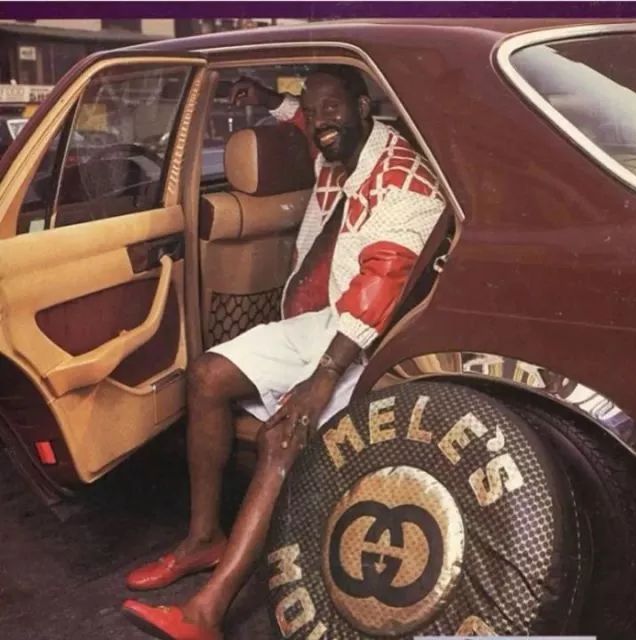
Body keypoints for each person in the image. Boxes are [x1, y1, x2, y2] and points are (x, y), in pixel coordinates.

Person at [122, 65, 446, 640]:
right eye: (314, 112)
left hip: (372, 339)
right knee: (207, 375)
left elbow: (382, 286)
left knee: (283, 433)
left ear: (364, 107)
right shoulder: (336, 143)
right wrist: (272, 98)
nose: (319, 123)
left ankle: (206, 613)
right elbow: (302, 115)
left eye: (331, 110)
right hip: (327, 321)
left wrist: (321, 380)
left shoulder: (403, 179)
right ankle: (204, 539)